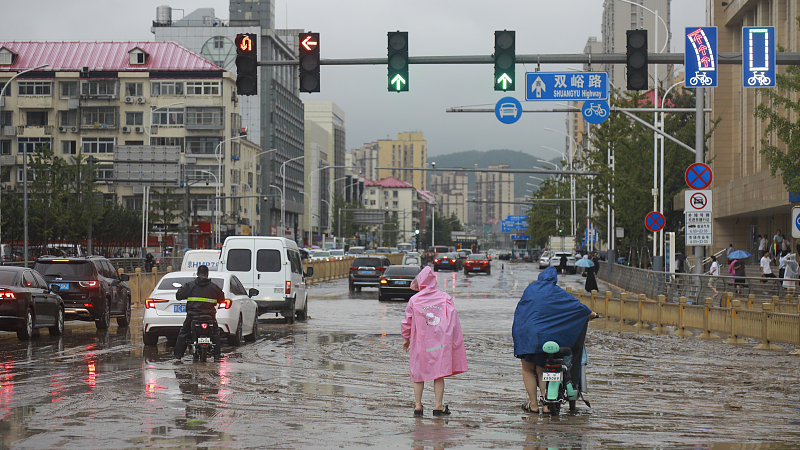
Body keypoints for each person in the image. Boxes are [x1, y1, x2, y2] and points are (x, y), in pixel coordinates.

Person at [513, 266, 597, 414]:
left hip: (526, 334)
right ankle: (546, 404)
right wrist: (590, 313)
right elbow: (575, 306)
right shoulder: (556, 291)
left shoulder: (531, 289)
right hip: (545, 338)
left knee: (527, 369)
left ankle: (533, 405)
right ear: (554, 279)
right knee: (541, 369)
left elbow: (521, 310)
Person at [401, 266, 467, 417]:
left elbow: (407, 322)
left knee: (418, 374)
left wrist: (406, 338)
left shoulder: (414, 300)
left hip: (420, 343)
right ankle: (438, 406)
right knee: (439, 373)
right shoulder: (444, 297)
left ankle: (418, 406)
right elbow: (452, 319)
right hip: (440, 342)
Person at [173, 264, 225, 361]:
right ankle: (217, 354)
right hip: (209, 317)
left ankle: (178, 355)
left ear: (197, 274)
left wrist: (181, 290)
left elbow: (179, 296)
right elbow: (222, 299)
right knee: (215, 332)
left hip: (193, 317)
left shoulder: (190, 285)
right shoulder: (214, 287)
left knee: (184, 333)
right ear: (207, 274)